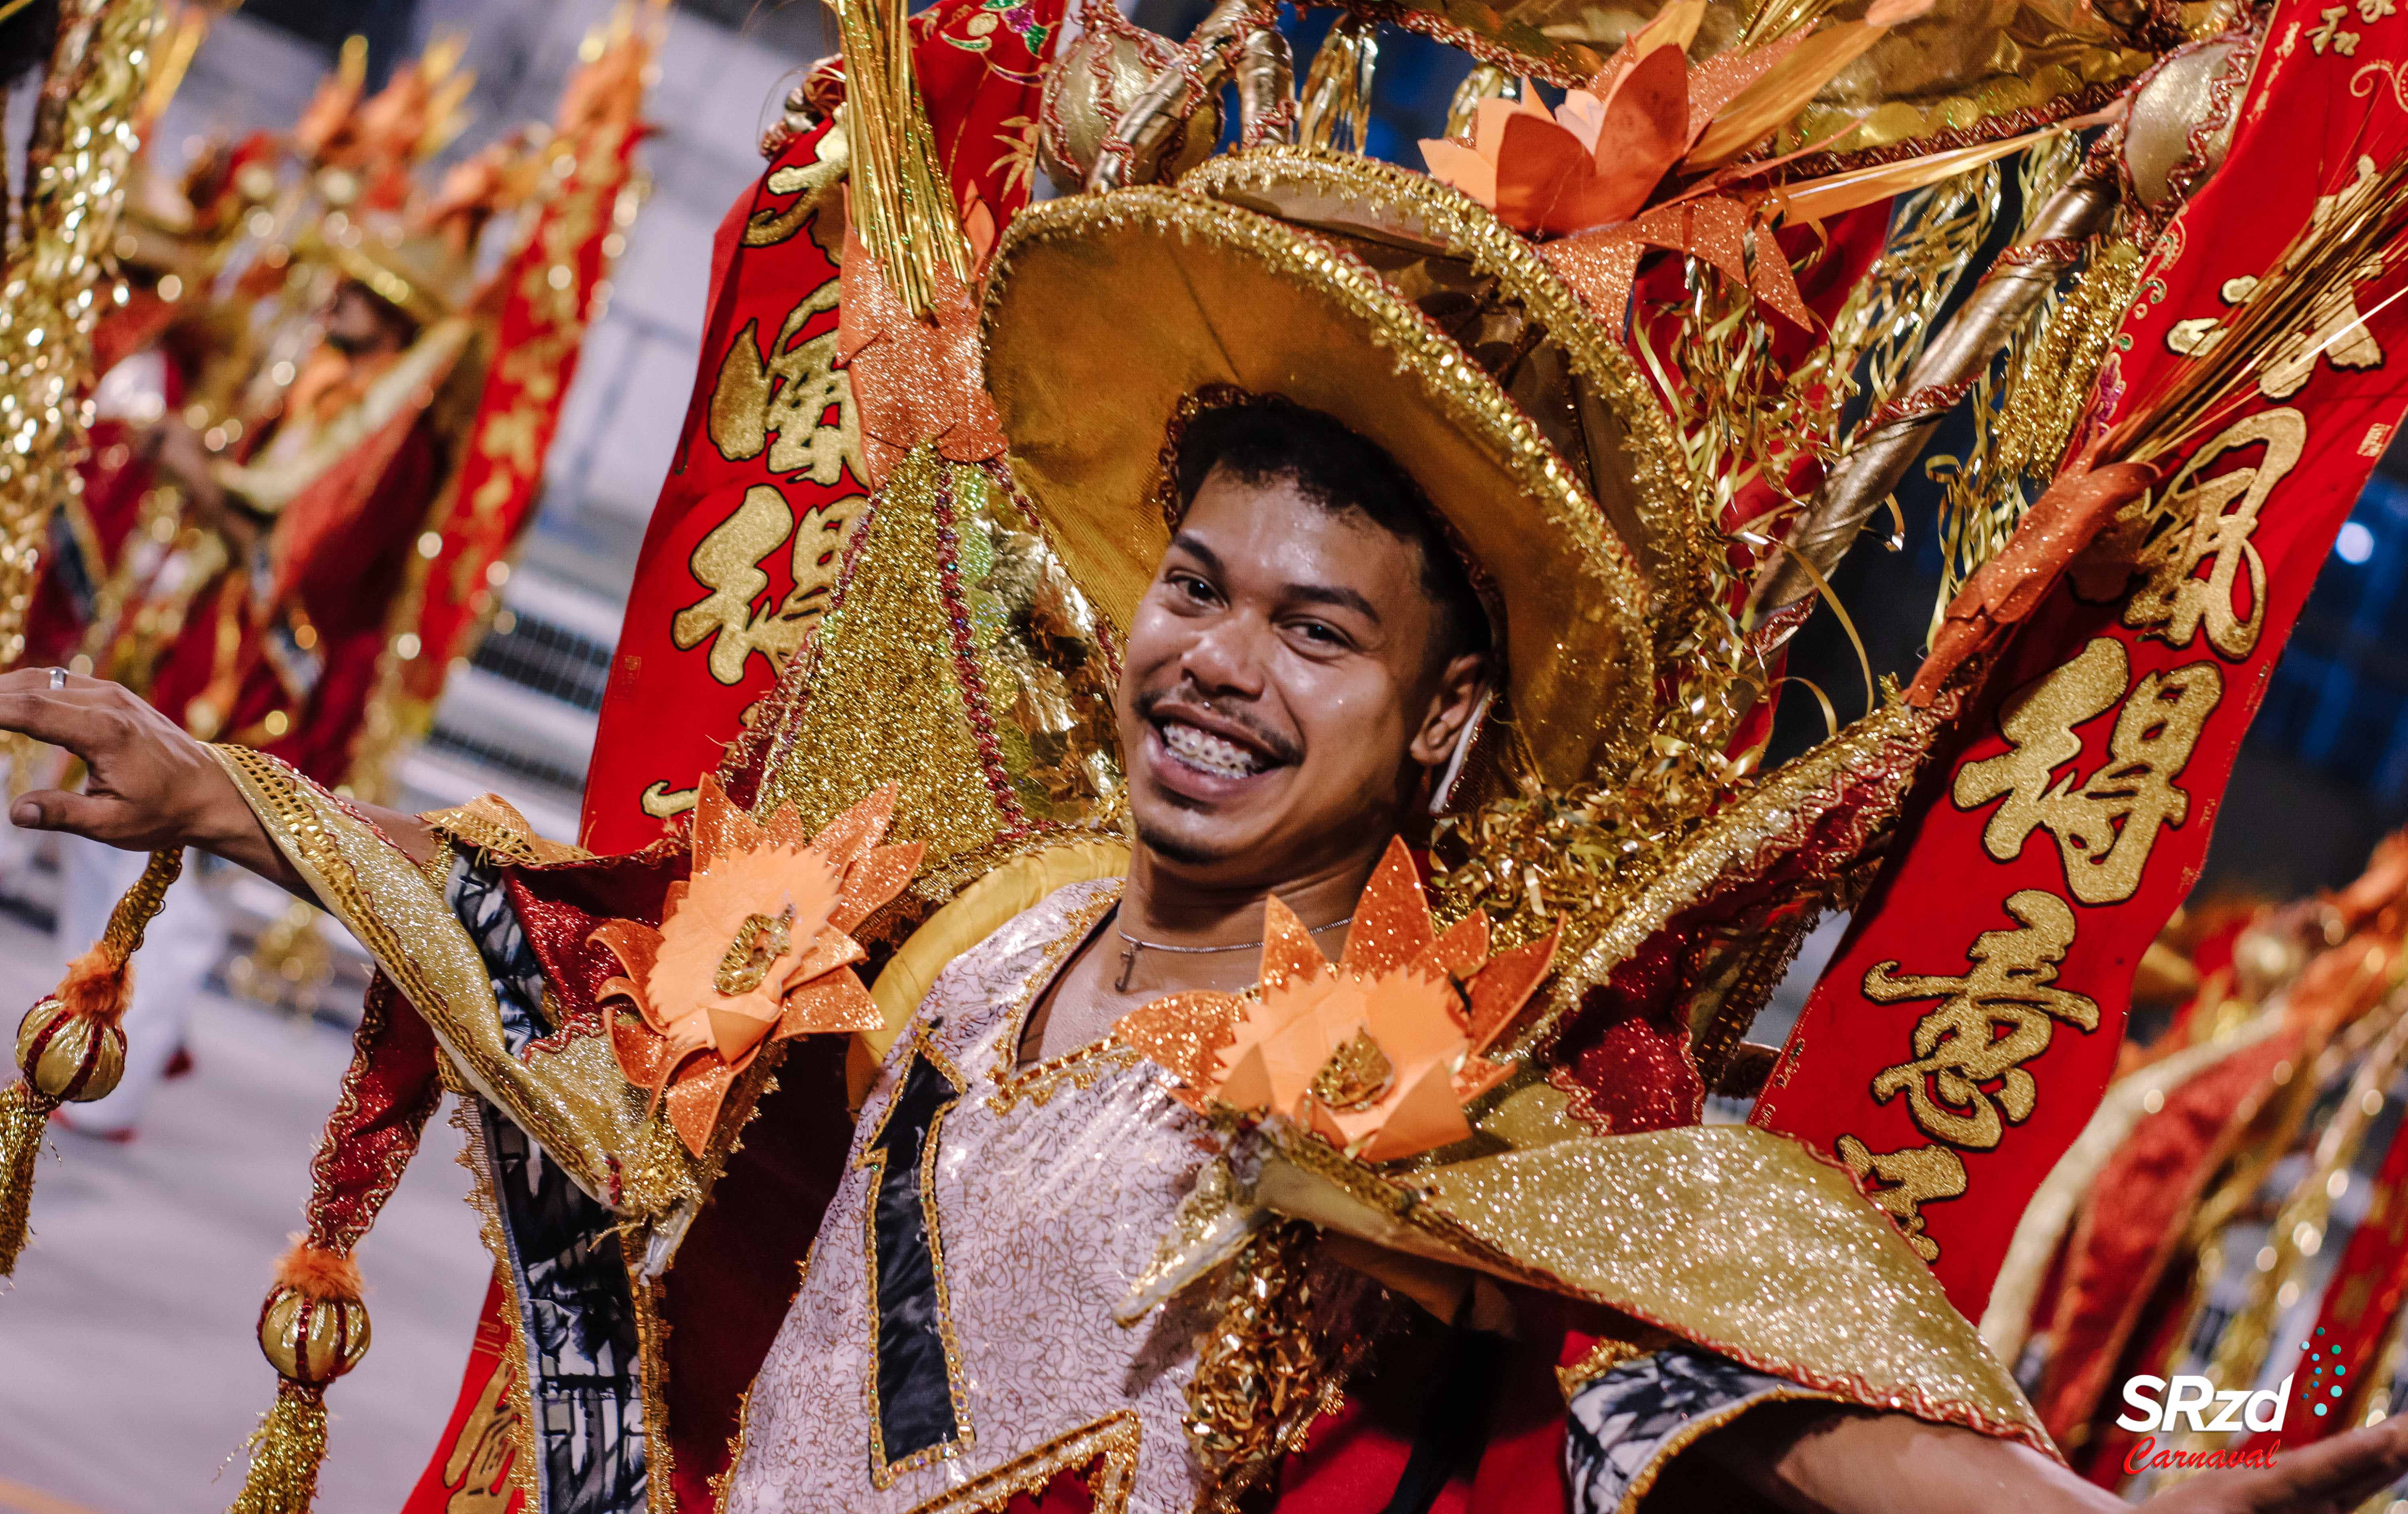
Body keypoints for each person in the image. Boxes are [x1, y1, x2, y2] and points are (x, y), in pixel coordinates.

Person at [9, 374, 2408, 1509]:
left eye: (1316, 634)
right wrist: (229, 798)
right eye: (1195, 590)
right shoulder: (983, 909)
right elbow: (615, 947)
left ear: (1440, 713)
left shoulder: (1426, 1086)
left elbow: (1729, 1356)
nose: (1216, 667)